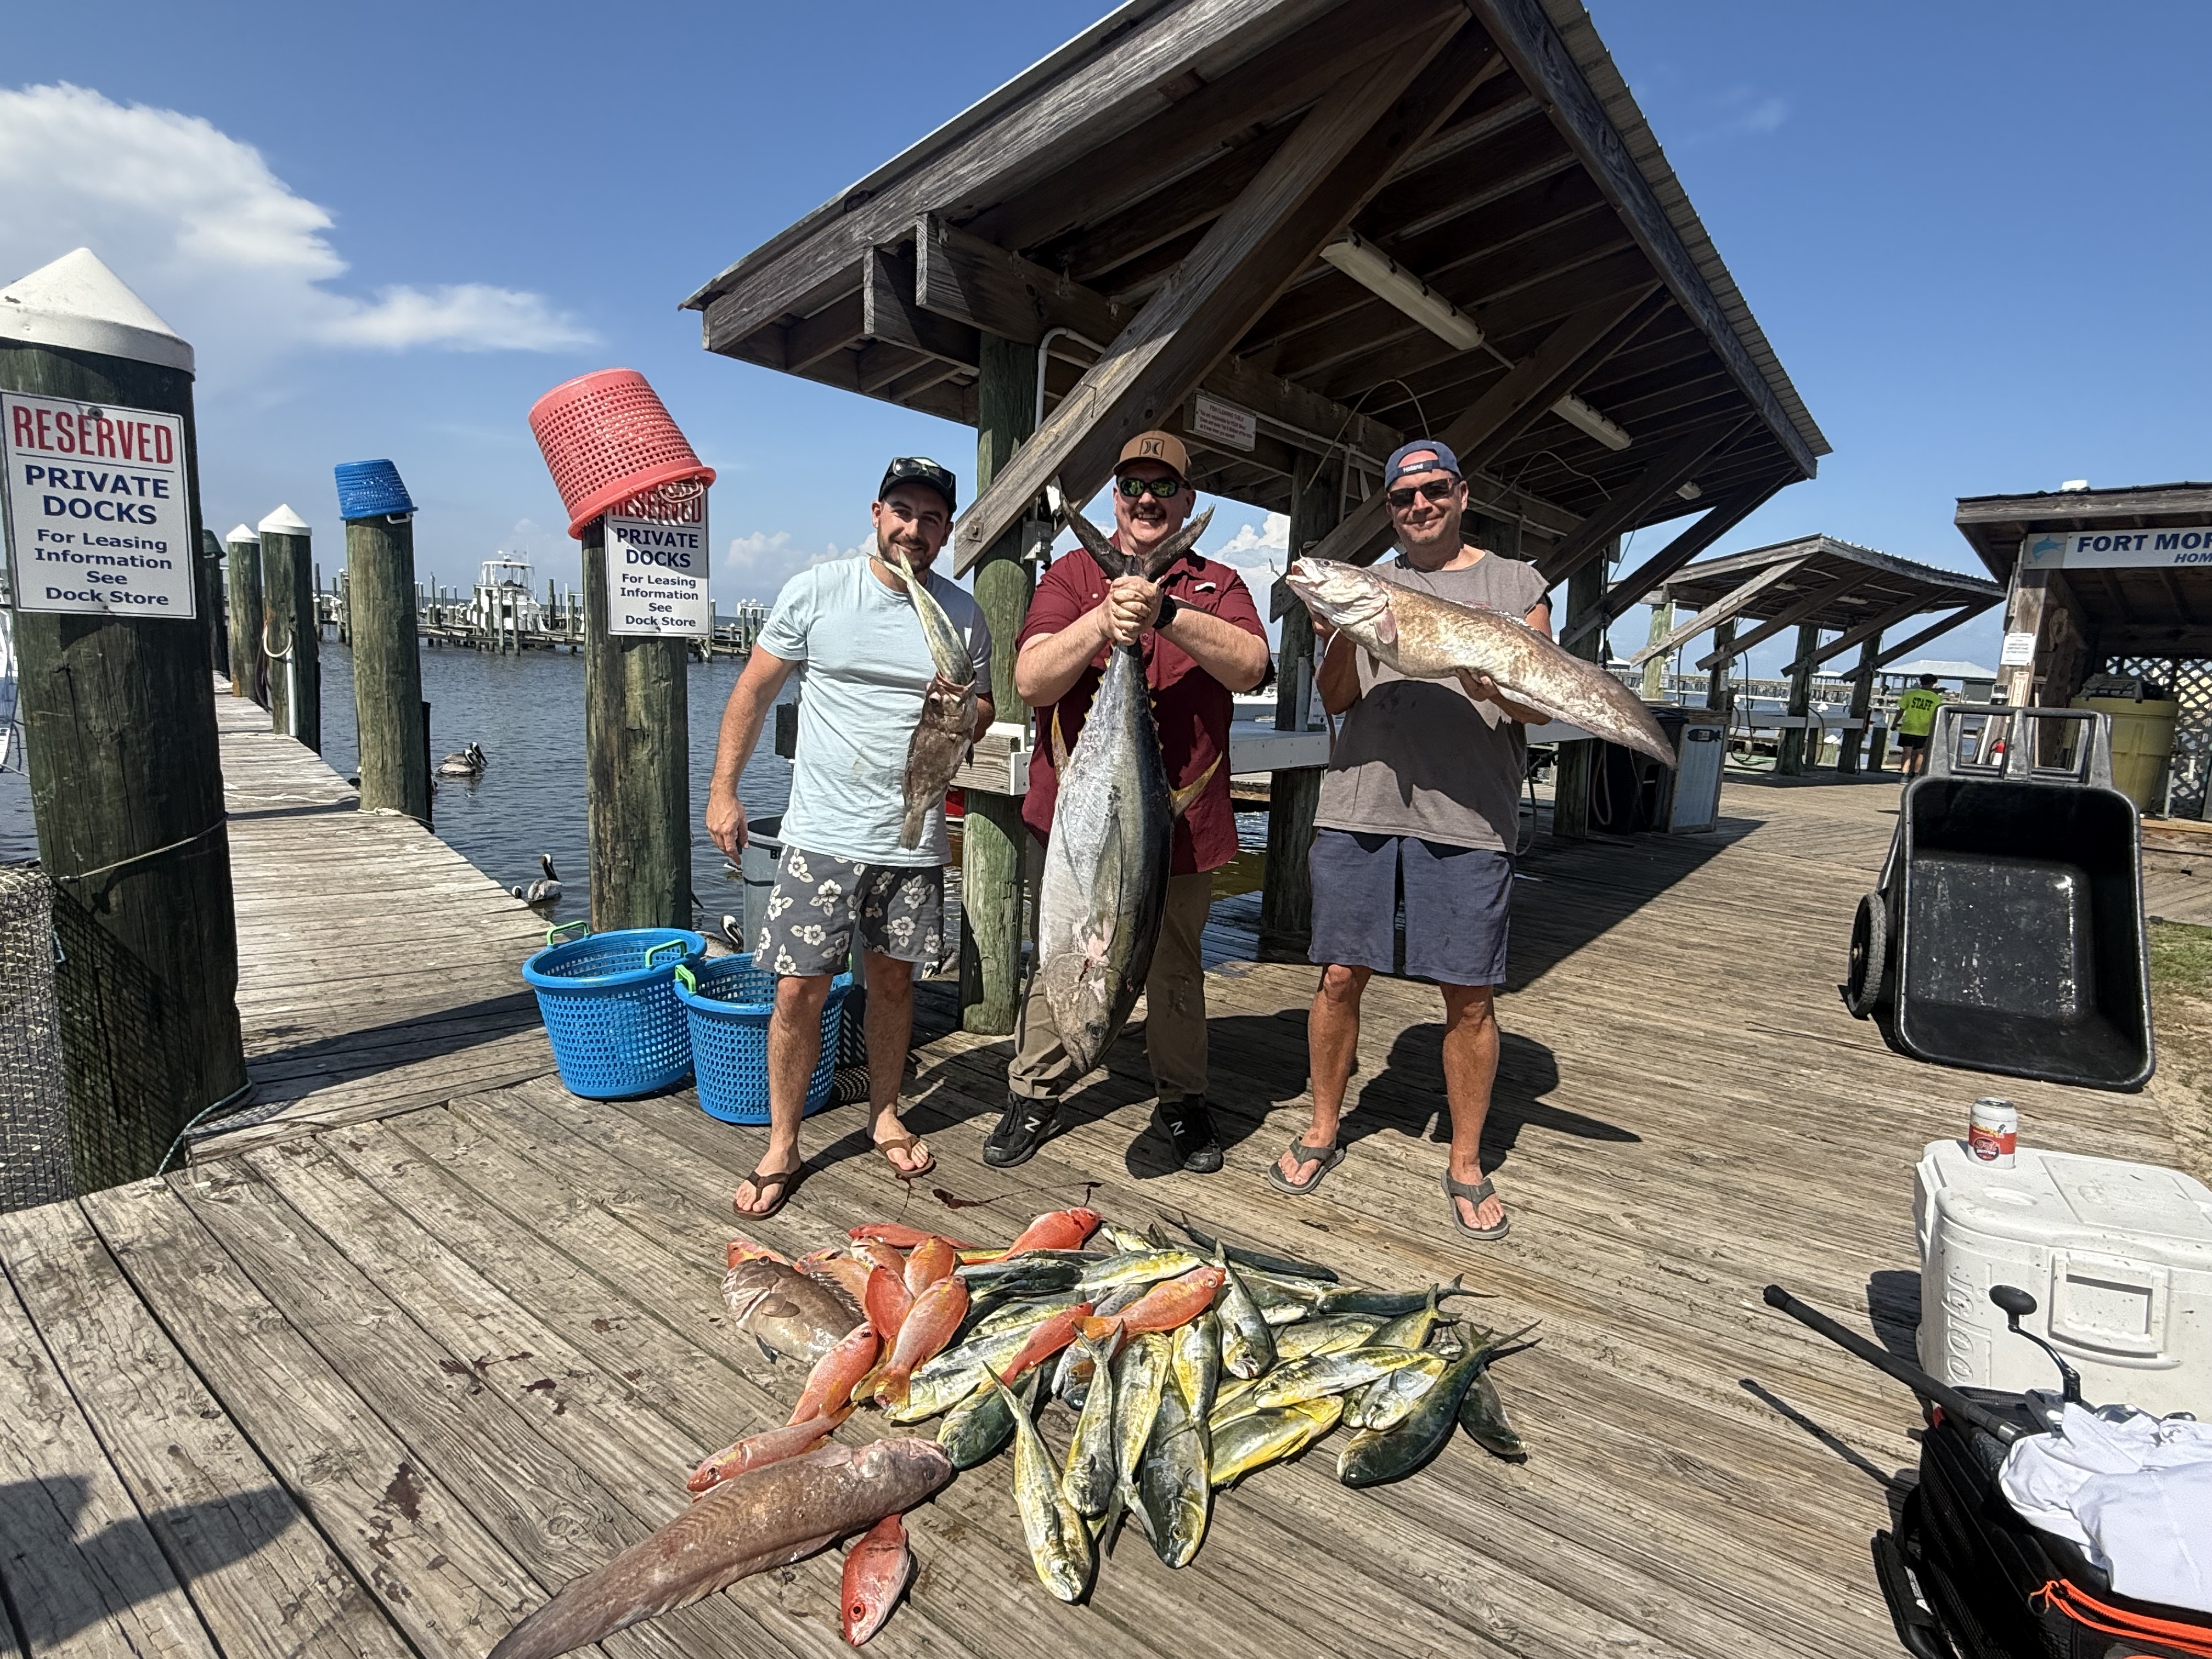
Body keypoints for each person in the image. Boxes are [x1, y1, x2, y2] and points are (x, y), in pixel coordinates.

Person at [1274, 439, 1551, 1243]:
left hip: (1470, 818)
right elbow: (1336, 700)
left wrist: (1491, 678)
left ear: (1463, 494)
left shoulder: (1517, 584)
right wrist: (1341, 635)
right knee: (1336, 977)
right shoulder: (1372, 585)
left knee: (1468, 995)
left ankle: (1466, 1160)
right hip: (1360, 805)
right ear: (1390, 509)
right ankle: (1325, 1125)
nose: (1419, 506)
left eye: (1433, 490)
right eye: (1403, 498)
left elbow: (1537, 706)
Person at [704, 458, 992, 1218]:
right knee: (799, 988)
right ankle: (782, 1141)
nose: (915, 529)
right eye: (903, 511)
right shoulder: (819, 591)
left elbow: (984, 712)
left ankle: (885, 1113)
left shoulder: (964, 616)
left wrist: (964, 711)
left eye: (932, 519)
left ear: (947, 530)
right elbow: (754, 689)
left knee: (895, 983)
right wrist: (723, 792)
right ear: (875, 512)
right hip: (823, 834)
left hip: (914, 838)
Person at [980, 431, 1270, 1173]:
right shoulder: (1074, 575)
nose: (1147, 500)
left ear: (1188, 501)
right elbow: (1035, 679)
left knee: (1174, 968)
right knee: (1060, 953)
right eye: (1133, 487)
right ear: (1115, 497)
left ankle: (1182, 1100)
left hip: (1183, 826)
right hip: (1079, 821)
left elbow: (1251, 667)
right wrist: (1105, 621)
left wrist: (1165, 614)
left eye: (1163, 488)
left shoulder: (1218, 584)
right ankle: (1035, 1089)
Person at [1894, 674, 1945, 776]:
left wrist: (1894, 723)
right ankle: (1916, 773)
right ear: (1932, 684)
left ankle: (1904, 775)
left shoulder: (1910, 694)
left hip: (1908, 728)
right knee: (1920, 753)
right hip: (1924, 729)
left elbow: (1901, 711)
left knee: (1907, 752)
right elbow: (1939, 716)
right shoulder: (1936, 699)